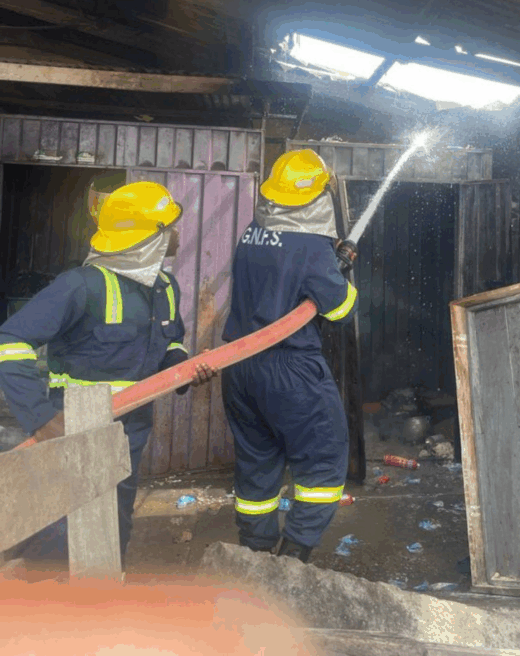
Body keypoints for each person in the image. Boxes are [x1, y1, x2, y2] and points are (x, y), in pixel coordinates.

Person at [0, 180, 215, 568]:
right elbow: (10, 340)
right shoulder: (80, 286)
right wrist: (41, 419)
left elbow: (171, 341)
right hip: (75, 431)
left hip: (131, 432)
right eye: (169, 228)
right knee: (65, 529)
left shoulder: (166, 287)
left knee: (115, 523)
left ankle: (106, 593)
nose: (177, 234)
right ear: (148, 238)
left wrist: (182, 368)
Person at [221, 149, 358, 563]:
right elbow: (340, 310)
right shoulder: (312, 246)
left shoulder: (252, 232)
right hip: (290, 368)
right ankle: (294, 555)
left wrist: (328, 262)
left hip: (239, 365)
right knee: (324, 457)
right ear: (317, 195)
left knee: (256, 461)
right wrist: (339, 271)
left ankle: (256, 554)